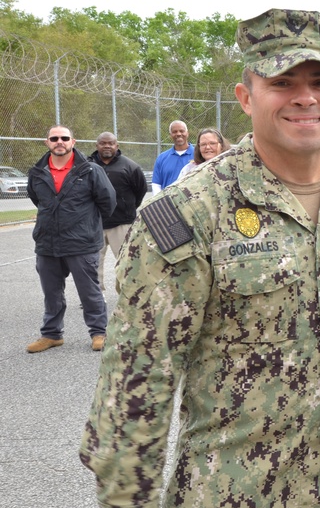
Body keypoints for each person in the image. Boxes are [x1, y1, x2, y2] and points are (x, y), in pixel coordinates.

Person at [80, 9, 320, 508]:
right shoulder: (190, 213)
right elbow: (136, 388)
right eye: (282, 82)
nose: (305, 97)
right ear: (246, 97)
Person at [26, 125, 116, 353]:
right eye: (54, 138)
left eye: (64, 138)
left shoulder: (91, 170)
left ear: (73, 141)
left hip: (81, 243)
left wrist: (85, 225)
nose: (59, 141)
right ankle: (51, 334)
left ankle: (99, 333)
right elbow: (38, 200)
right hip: (47, 243)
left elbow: (108, 202)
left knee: (90, 292)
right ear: (47, 142)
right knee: (51, 293)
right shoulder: (37, 172)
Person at [90, 132, 147, 292]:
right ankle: (95, 295)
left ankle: (127, 293)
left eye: (111, 143)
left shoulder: (130, 166)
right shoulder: (87, 165)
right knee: (93, 262)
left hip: (122, 224)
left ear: (117, 145)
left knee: (126, 261)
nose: (107, 146)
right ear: (97, 145)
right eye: (103, 143)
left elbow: (140, 191)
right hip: (95, 223)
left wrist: (126, 209)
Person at [150, 120, 194, 192]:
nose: (178, 134)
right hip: (168, 202)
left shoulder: (199, 155)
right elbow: (156, 184)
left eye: (182, 131)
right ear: (170, 135)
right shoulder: (162, 158)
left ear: (187, 133)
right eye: (174, 132)